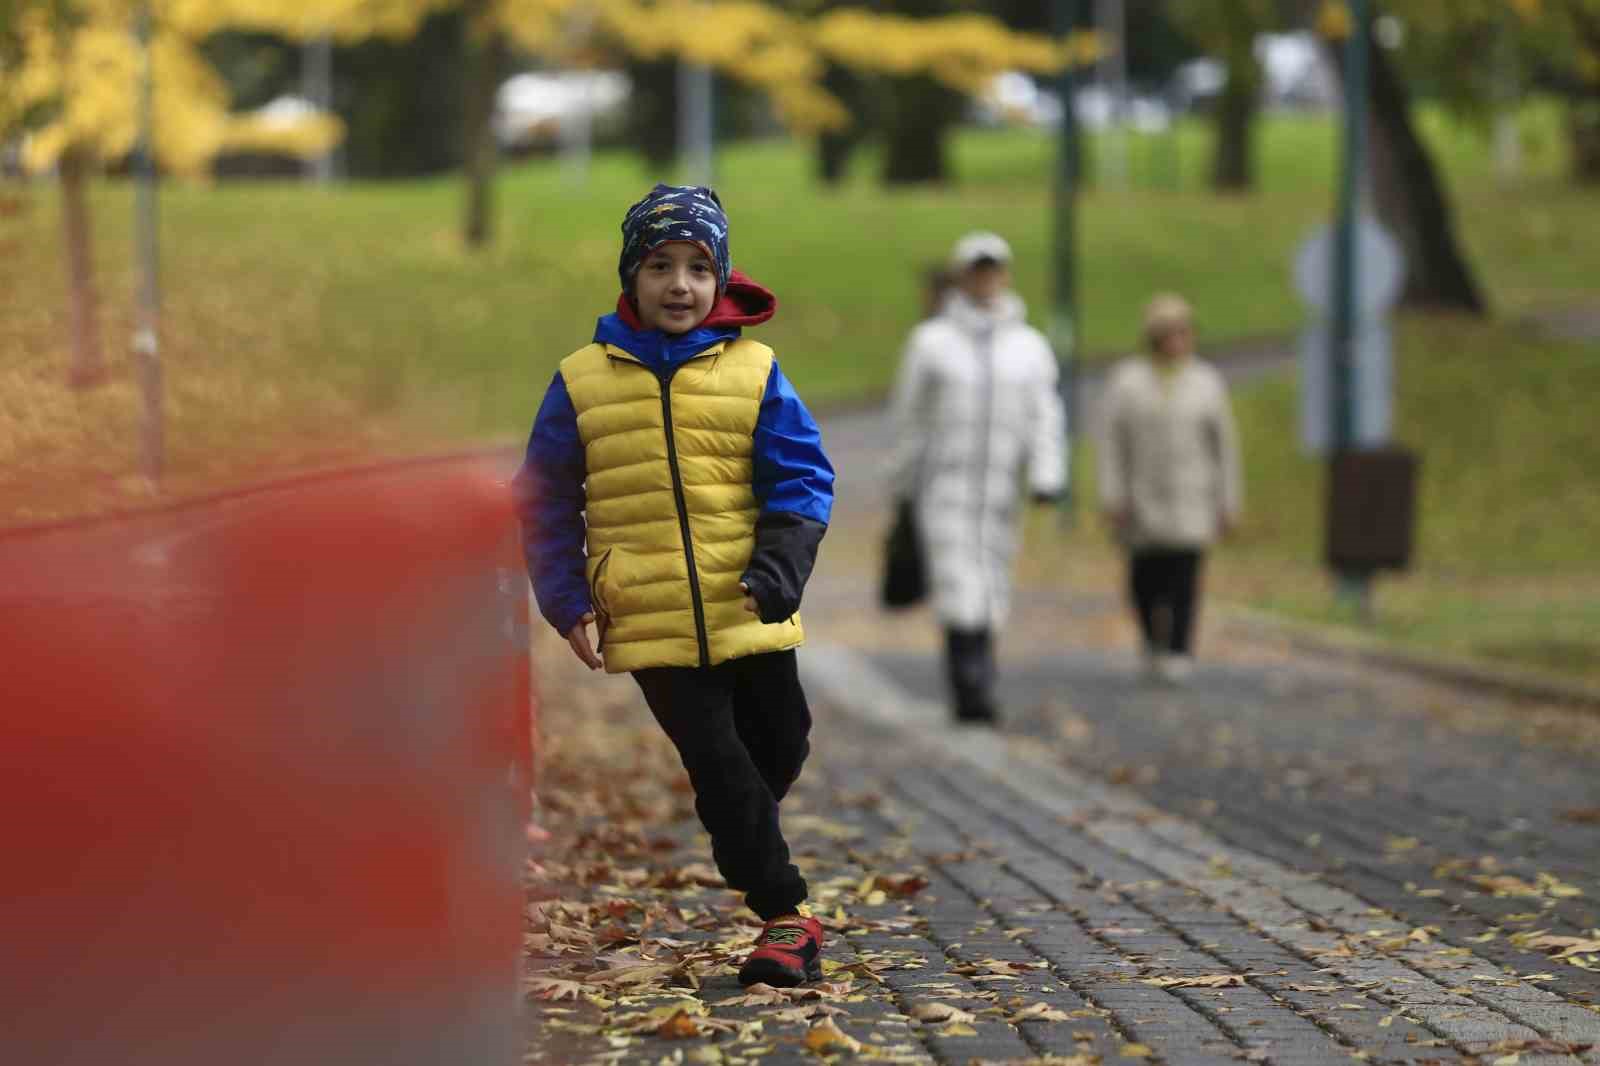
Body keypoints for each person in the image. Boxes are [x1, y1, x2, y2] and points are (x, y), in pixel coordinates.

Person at [511, 184, 835, 987]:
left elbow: (802, 478)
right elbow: (546, 495)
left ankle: (738, 827)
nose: (680, 285)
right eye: (660, 266)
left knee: (780, 747)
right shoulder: (582, 380)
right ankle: (786, 919)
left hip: (751, 602)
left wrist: (780, 568)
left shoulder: (755, 370)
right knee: (720, 765)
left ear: (721, 277)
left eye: (698, 267)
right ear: (632, 275)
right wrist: (565, 596)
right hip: (649, 619)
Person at [886, 232, 1067, 724]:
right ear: (961, 276)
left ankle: (977, 672)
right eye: (977, 269)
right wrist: (901, 485)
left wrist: (1048, 474)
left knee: (991, 581)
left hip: (1001, 488)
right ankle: (973, 684)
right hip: (943, 485)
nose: (986, 279)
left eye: (995, 269)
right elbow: (910, 418)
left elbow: (1045, 414)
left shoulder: (1030, 348)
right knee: (956, 582)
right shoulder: (931, 343)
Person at [1098, 294, 1242, 685]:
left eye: (1184, 332)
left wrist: (1227, 501)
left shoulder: (1206, 382)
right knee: (1144, 579)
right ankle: (1151, 639)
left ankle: (1179, 648)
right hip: (1141, 498)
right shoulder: (1127, 382)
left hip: (1192, 498)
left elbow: (1224, 446)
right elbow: (1112, 442)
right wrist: (1112, 494)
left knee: (1184, 576)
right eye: (1170, 333)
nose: (1178, 340)